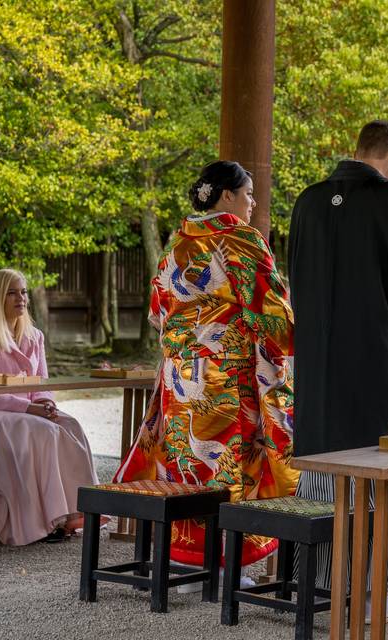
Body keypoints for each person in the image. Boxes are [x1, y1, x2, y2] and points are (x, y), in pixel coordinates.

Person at [288, 119, 388, 618]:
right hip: (379, 363)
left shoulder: (308, 202)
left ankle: (326, 587)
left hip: (320, 365)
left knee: (326, 471)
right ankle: (379, 597)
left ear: (355, 148)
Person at [115, 160, 297, 573]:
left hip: (180, 381)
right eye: (248, 194)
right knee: (227, 466)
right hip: (225, 382)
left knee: (186, 462)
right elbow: (271, 311)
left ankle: (190, 563)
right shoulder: (240, 239)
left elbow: (158, 314)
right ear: (227, 196)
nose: (252, 203)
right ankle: (224, 564)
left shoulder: (175, 243)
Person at [0, 269, 98, 545]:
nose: (21, 298)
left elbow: (42, 380)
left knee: (70, 426)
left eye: (24, 292)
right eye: (13, 292)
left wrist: (45, 402)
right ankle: (46, 521)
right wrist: (29, 409)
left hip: (29, 410)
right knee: (43, 432)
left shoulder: (34, 336)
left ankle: (74, 514)